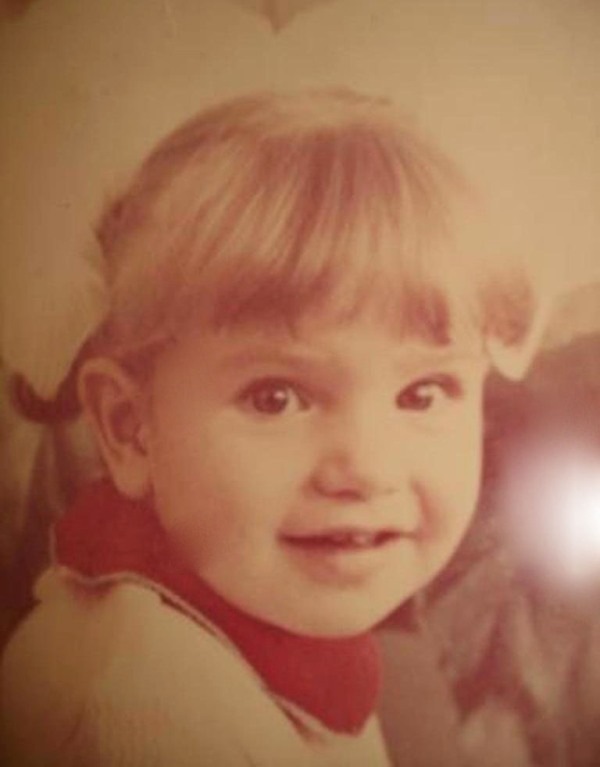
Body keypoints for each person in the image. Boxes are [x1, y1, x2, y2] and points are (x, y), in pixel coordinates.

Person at [0, 89, 547, 766]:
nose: (368, 468)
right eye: (276, 397)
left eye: (422, 392)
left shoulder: (258, 616)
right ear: (130, 425)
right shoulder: (147, 707)